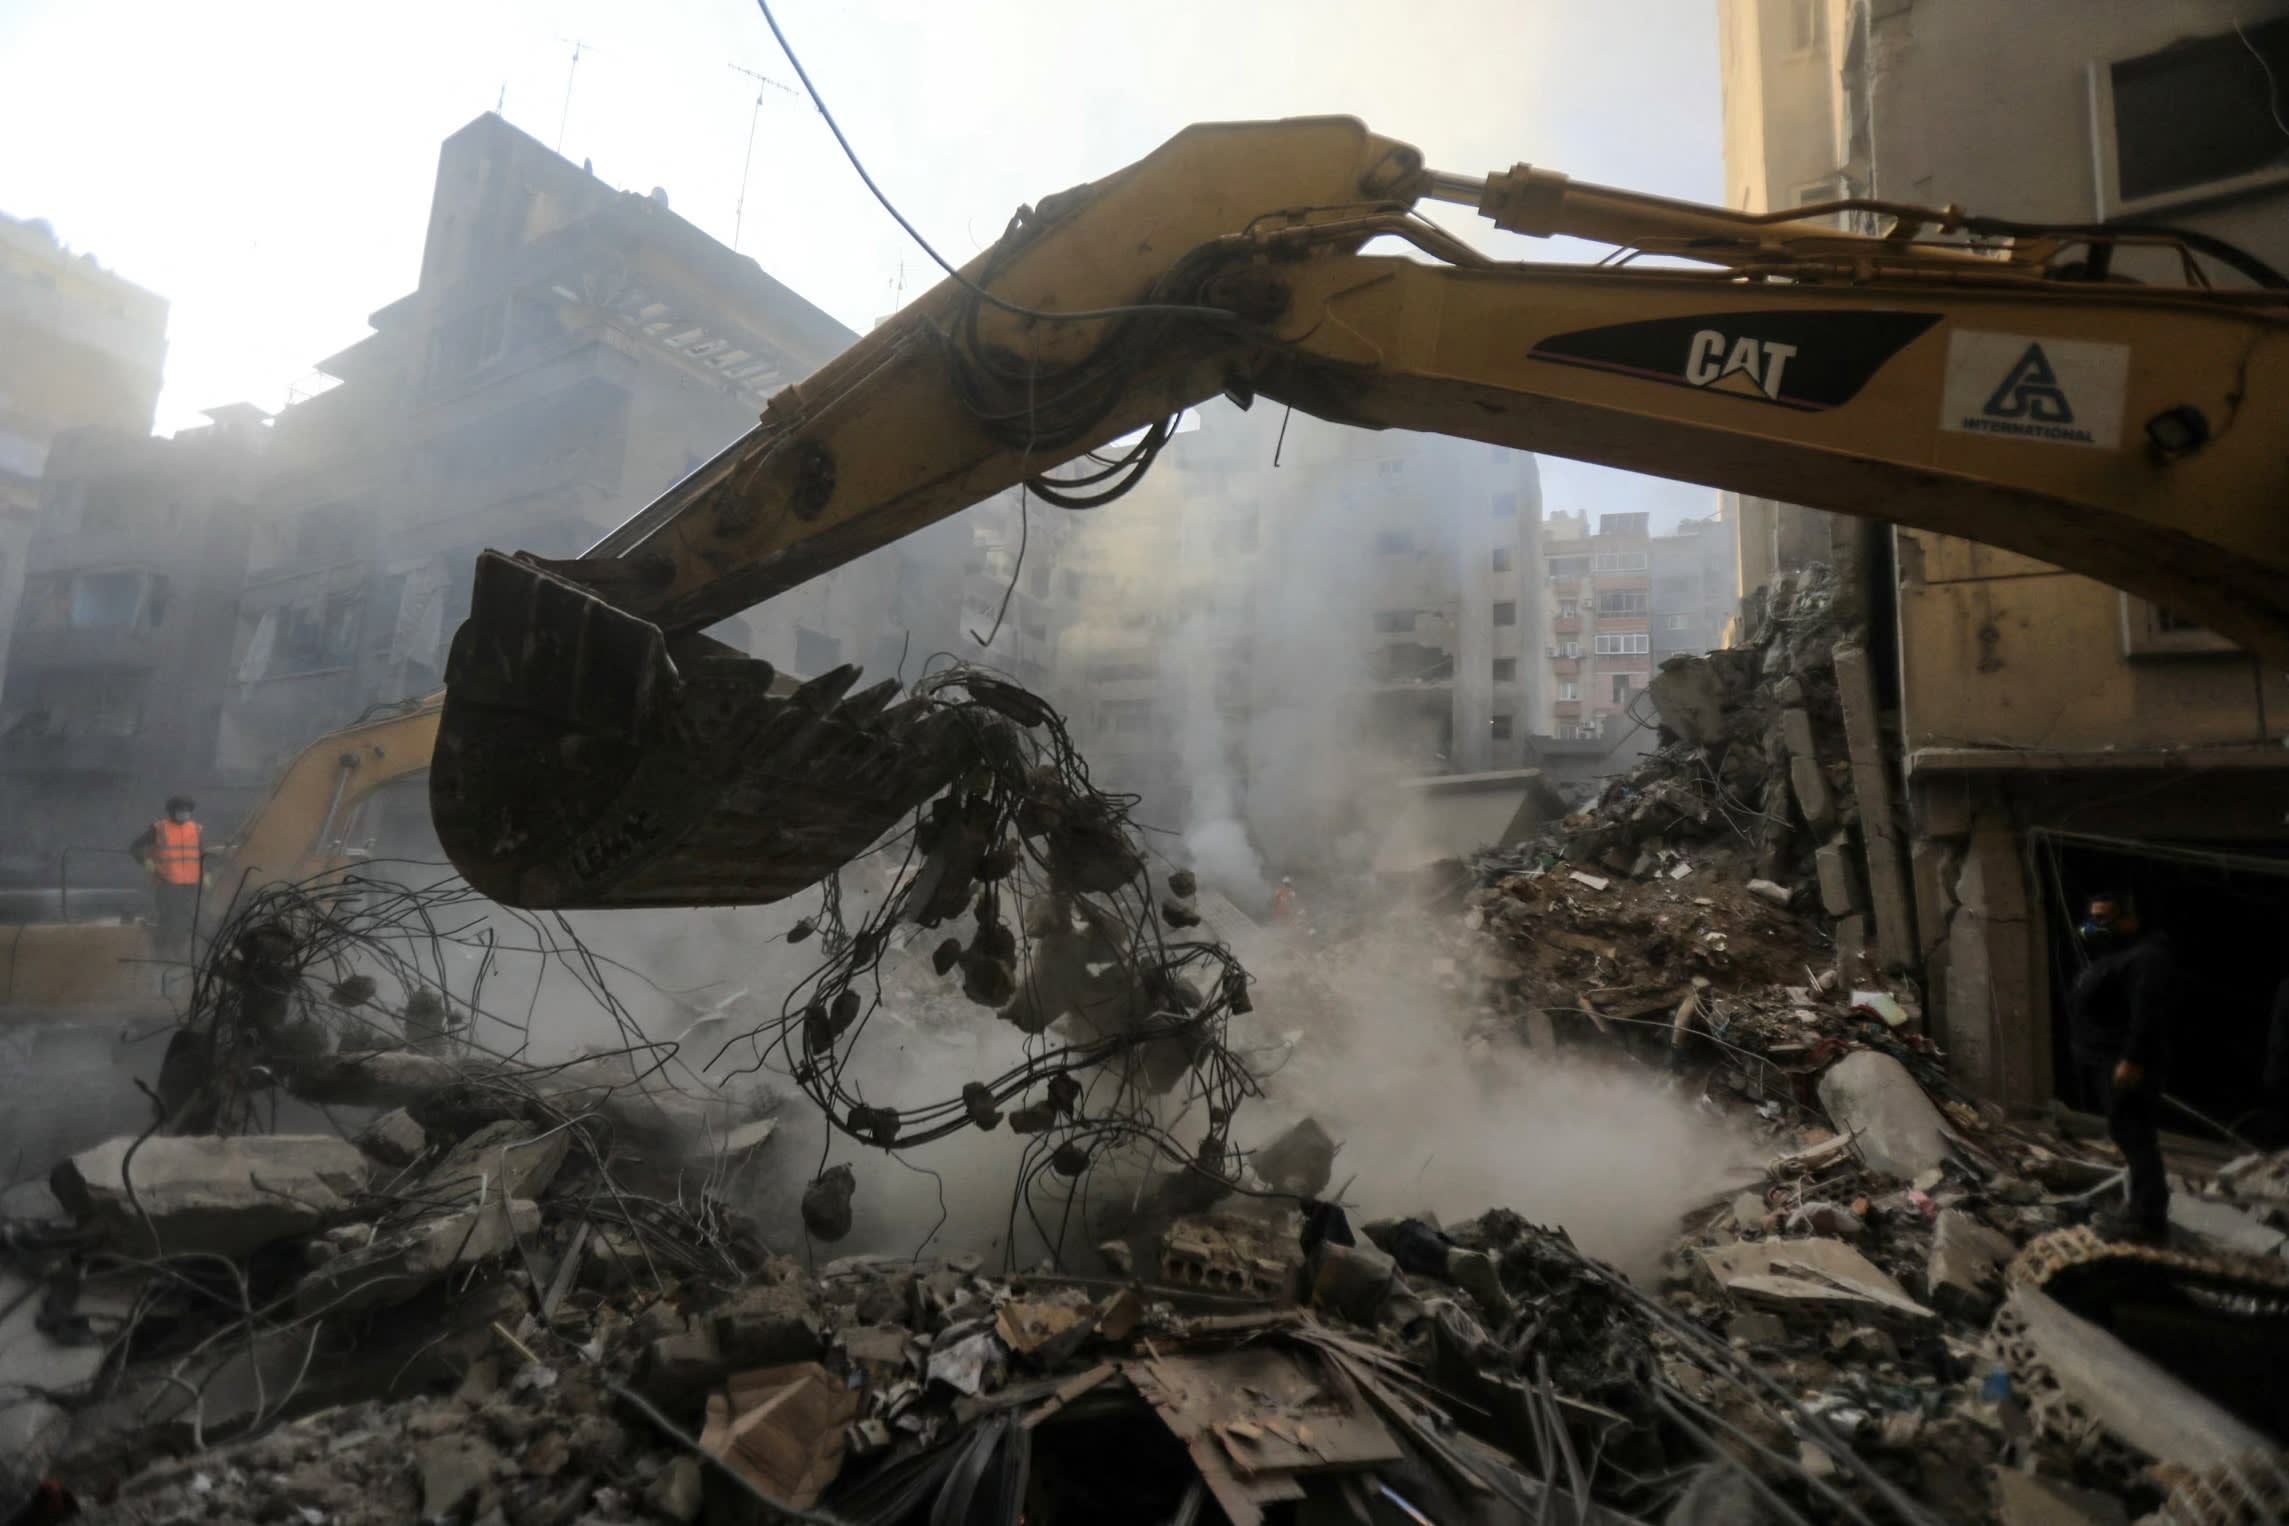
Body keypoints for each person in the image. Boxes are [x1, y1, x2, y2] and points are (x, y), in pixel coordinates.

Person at [2064, 890, 2175, 1242]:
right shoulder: (2118, 955)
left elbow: (2147, 1014)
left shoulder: (2147, 958)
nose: (2095, 926)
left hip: (2126, 1064)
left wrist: (2132, 1059)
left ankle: (2147, 1219)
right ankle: (2139, 1208)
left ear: (2129, 920)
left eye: (2103, 919)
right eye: (2093, 918)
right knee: (2126, 1133)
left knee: (2135, 1134)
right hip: (2106, 1059)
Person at [129, 794, 205, 959]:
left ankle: (179, 953)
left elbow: (202, 855)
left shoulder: (196, 829)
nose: (184, 813)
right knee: (168, 918)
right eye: (180, 810)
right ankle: (162, 953)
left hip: (190, 884)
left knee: (186, 919)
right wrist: (146, 862)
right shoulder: (159, 828)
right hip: (166, 883)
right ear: (171, 811)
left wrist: (206, 874)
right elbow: (135, 847)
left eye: (187, 810)